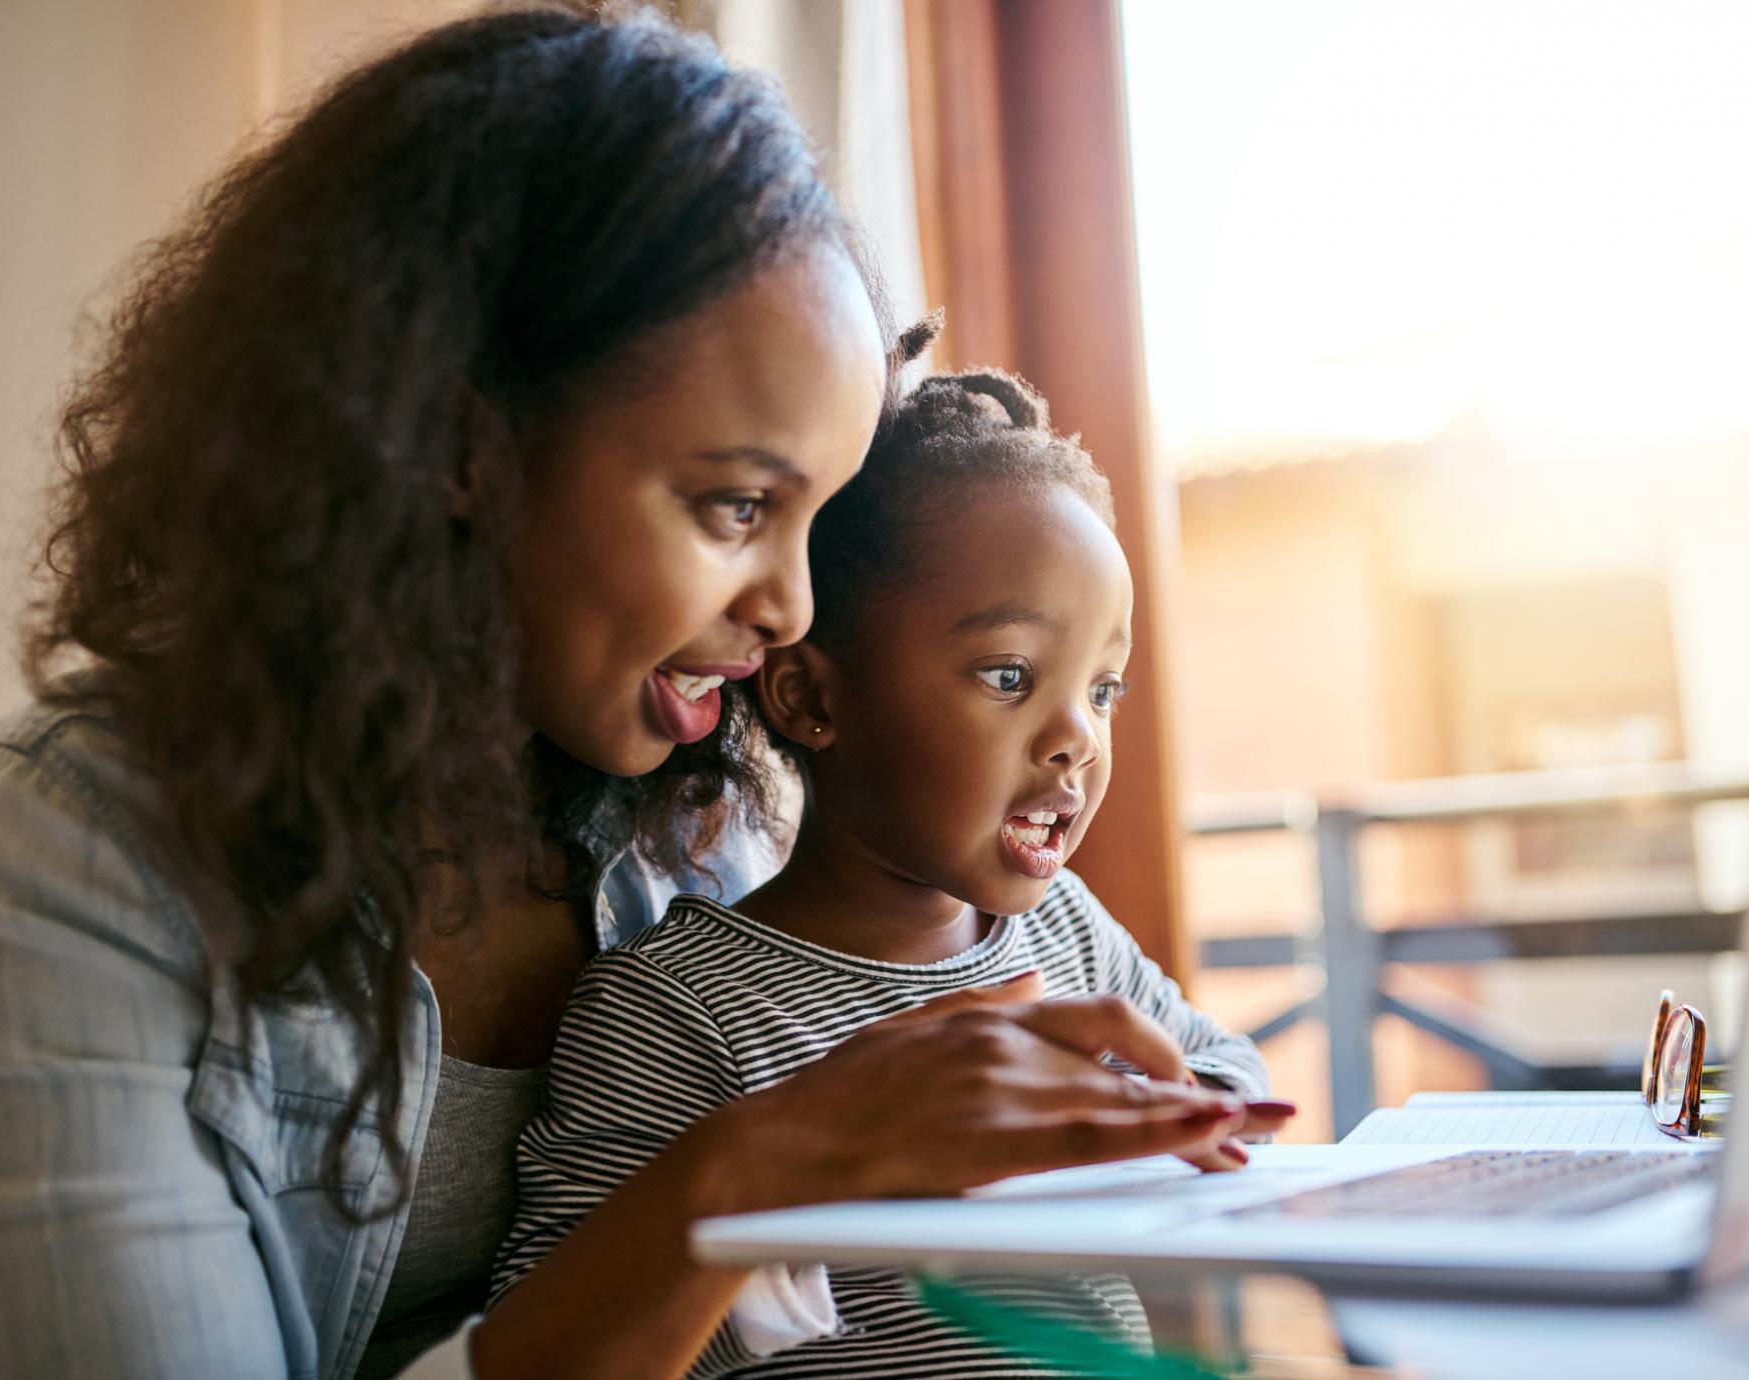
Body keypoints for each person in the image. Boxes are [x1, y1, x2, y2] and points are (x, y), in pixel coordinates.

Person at [0, 11, 1258, 1380]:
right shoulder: (77, 845)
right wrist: (761, 1167)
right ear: (454, 438)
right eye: (735, 504)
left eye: (817, 522)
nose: (792, 609)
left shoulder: (716, 817)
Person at [490, 340, 1290, 1375]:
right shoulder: (676, 1008)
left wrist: (1129, 1116)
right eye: (1008, 674)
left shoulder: (1063, 934)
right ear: (811, 698)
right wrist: (827, 1207)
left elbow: (1226, 1078)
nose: (1077, 739)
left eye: (1101, 689)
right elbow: (568, 1317)